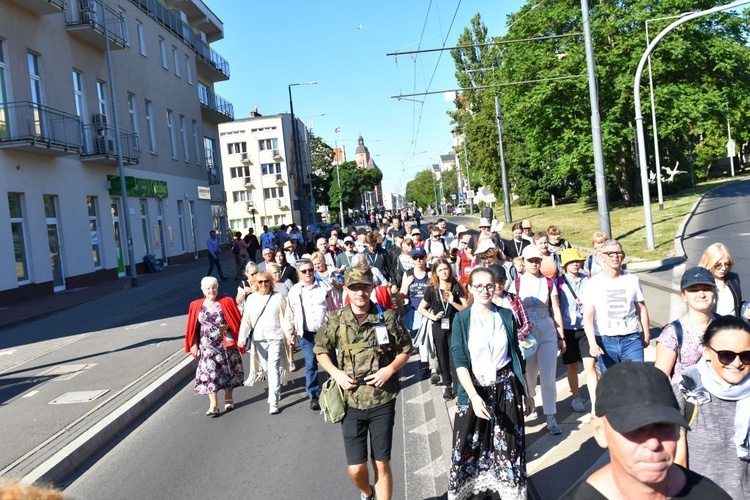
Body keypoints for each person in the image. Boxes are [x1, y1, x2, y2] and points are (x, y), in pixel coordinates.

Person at [561, 362, 731, 499]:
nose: (653, 442)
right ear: (600, 431)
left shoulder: (711, 495)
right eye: (634, 428)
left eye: (664, 425)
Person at [314, 268, 412, 500]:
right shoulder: (336, 319)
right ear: (346, 290)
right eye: (355, 288)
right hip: (351, 401)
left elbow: (406, 349)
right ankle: (367, 492)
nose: (360, 292)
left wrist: (390, 369)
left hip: (382, 399)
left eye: (364, 287)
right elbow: (320, 350)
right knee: (356, 469)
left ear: (371, 288)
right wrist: (336, 373)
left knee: (381, 462)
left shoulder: (386, 317)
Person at [448, 267, 529, 500]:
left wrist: (528, 393)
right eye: (479, 286)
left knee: (509, 448)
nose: (485, 290)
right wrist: (473, 397)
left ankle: (508, 494)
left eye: (490, 285)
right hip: (475, 390)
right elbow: (460, 360)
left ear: (496, 286)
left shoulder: (505, 315)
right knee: (469, 448)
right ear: (470, 288)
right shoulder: (462, 319)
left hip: (506, 390)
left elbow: (515, 355)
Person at [676, 315, 750, 499]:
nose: (737, 362)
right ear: (707, 351)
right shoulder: (686, 392)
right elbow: (676, 463)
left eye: (746, 355)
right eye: (726, 355)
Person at [511, 244, 565, 434]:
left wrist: (561, 335)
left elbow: (556, 308)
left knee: (549, 375)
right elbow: (512, 310)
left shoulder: (548, 282)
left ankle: (551, 415)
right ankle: (530, 400)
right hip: (527, 333)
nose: (535, 264)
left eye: (537, 260)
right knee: (530, 375)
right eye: (531, 261)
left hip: (547, 329)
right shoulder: (516, 283)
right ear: (523, 262)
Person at [583, 239, 650, 373]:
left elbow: (641, 308)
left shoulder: (632, 280)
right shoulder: (593, 283)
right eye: (611, 254)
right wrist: (592, 343)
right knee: (613, 384)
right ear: (602, 257)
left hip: (631, 338)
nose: (615, 257)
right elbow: (588, 316)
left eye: (619, 253)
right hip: (606, 340)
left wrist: (646, 333)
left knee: (637, 379)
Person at [284, 258, 339, 410]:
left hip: (325, 332)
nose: (308, 273)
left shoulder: (325, 287)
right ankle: (314, 396)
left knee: (330, 362)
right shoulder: (295, 291)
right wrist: (290, 334)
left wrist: (337, 327)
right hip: (306, 333)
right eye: (304, 271)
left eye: (310, 270)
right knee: (311, 364)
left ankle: (335, 391)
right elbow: (289, 313)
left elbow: (336, 307)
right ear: (299, 273)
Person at [184, 276, 244, 415]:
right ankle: (214, 405)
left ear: (217, 288)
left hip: (225, 344)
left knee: (228, 369)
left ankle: (229, 398)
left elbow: (236, 321)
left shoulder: (226, 301)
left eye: (214, 287)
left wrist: (228, 326)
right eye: (208, 288)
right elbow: (192, 327)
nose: (211, 290)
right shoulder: (196, 305)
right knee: (211, 373)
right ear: (203, 290)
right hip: (207, 345)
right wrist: (193, 344)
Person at [238, 271, 293, 415]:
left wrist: (288, 335)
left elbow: (286, 317)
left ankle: (273, 401)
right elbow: (246, 320)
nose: (264, 284)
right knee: (267, 368)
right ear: (256, 283)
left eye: (266, 281)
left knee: (273, 367)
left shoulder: (278, 297)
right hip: (259, 339)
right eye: (260, 282)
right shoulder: (251, 299)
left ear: (271, 282)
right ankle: (275, 388)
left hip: (275, 337)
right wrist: (242, 338)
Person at [417, 259, 468, 400]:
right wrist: (433, 317)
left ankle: (460, 386)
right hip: (439, 327)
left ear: (450, 270)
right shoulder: (432, 289)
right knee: (442, 357)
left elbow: (466, 309)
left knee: (455, 357)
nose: (444, 272)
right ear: (435, 273)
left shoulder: (456, 287)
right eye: (440, 270)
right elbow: (421, 308)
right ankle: (447, 385)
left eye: (446, 269)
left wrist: (453, 302)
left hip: (455, 326)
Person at [655, 266, 716, 382]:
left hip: (722, 397)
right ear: (683, 295)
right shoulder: (673, 333)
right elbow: (659, 379)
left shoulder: (725, 325)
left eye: (707, 288)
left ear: (714, 292)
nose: (701, 294)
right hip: (687, 398)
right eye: (693, 290)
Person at [558, 248, 596, 413]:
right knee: (572, 366)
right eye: (572, 262)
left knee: (591, 366)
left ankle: (595, 402)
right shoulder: (558, 283)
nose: (575, 264)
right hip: (568, 329)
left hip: (586, 328)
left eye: (577, 261)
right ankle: (576, 397)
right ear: (565, 264)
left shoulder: (588, 280)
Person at [699, 242, 750, 319]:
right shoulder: (700, 282)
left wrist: (745, 310)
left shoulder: (733, 278)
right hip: (713, 328)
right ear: (708, 262)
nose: (723, 268)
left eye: (727, 264)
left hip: (734, 326)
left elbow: (736, 305)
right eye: (718, 264)